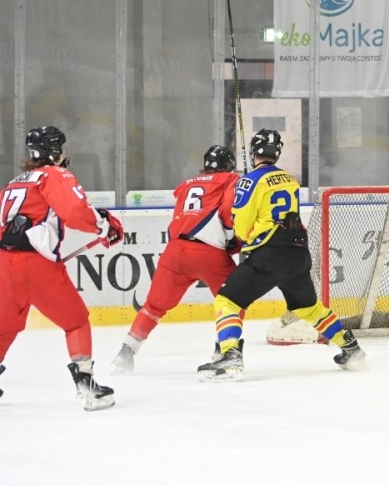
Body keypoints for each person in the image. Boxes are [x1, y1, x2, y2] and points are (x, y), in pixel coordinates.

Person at [196, 129, 367, 380]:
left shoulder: (249, 181)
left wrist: (247, 238)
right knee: (309, 308)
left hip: (269, 255)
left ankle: (230, 356)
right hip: (297, 253)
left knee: (227, 301)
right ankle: (351, 348)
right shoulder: (290, 179)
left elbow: (242, 225)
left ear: (253, 153)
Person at [0, 126, 124, 411]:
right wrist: (104, 226)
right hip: (36, 264)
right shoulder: (55, 174)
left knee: (3, 327)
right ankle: (87, 385)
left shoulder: (14, 183)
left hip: (4, 263)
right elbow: (75, 211)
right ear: (53, 150)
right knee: (76, 320)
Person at [111, 145, 241, 374]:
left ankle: (126, 353)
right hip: (209, 253)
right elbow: (228, 210)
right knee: (236, 299)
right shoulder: (230, 179)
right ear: (229, 166)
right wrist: (232, 239)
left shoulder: (187, 184)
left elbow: (181, 217)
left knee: (154, 306)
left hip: (175, 251)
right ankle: (223, 350)